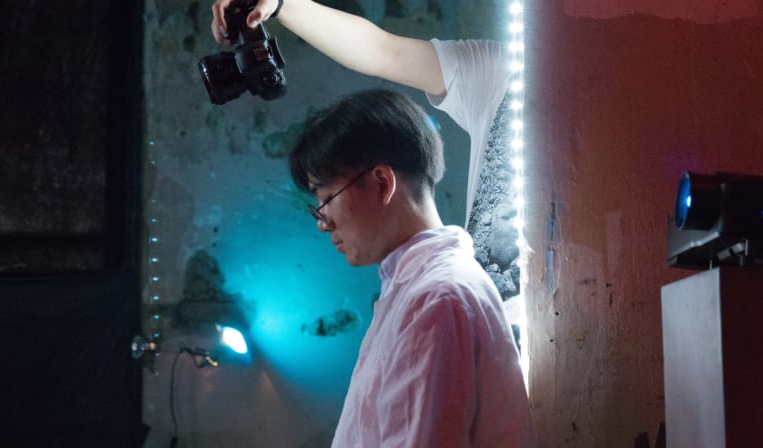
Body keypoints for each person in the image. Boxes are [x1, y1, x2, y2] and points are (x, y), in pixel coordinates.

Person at [211, 1, 536, 446]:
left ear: (383, 182)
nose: (323, 224)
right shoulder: (505, 72)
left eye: (327, 200)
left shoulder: (437, 302)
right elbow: (381, 50)